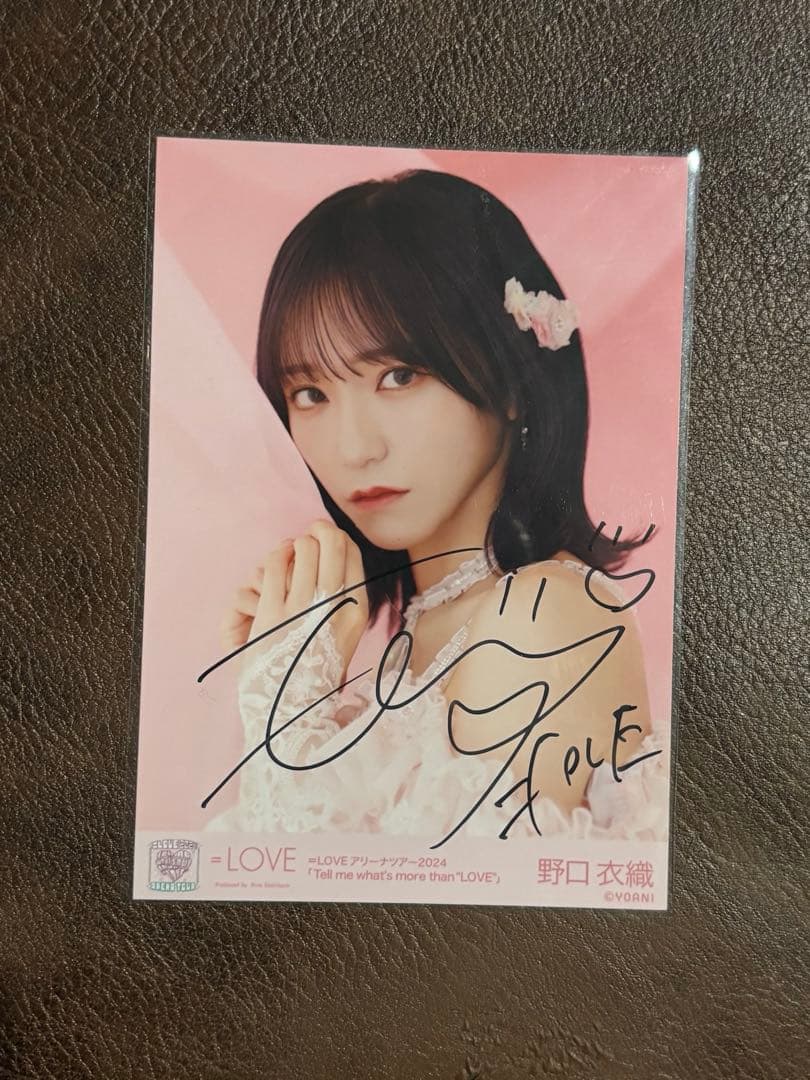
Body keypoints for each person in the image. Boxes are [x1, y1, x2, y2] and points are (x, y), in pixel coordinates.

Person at [204, 169, 669, 843]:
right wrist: (288, 666)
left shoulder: (548, 615)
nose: (353, 449)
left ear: (512, 382)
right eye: (310, 394)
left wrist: (289, 708)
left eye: (399, 376)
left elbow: (437, 909)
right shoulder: (421, 634)